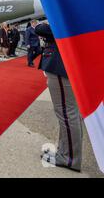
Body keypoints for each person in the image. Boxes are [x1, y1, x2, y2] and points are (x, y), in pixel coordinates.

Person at [36, 22, 83, 172]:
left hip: (61, 64)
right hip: (63, 63)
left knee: (67, 113)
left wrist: (45, 23)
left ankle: (69, 158)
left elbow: (41, 29)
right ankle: (65, 152)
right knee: (69, 113)